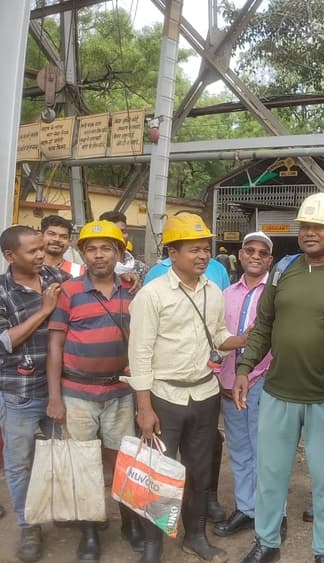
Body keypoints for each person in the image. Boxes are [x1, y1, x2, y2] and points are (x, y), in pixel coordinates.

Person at [234, 193, 324, 563]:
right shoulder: (283, 269)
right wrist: (245, 367)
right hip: (278, 392)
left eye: (319, 227)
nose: (309, 233)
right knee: (271, 474)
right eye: (305, 226)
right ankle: (267, 542)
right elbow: (264, 325)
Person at [127, 213, 249, 563]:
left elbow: (219, 336)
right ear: (173, 253)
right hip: (164, 398)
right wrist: (144, 409)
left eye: (205, 249)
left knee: (200, 472)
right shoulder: (151, 295)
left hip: (205, 395)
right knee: (157, 474)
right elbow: (140, 355)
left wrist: (245, 338)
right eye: (194, 249)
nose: (203, 255)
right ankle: (153, 545)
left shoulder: (213, 291)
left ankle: (195, 536)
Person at [45, 220, 142, 562]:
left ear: (119, 253)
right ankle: (89, 532)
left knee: (123, 461)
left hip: (120, 393)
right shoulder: (68, 291)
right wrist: (54, 398)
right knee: (82, 465)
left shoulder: (132, 291)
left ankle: (130, 523)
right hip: (76, 394)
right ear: (83, 254)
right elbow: (55, 345)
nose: (99, 255)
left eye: (106, 249)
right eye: (92, 249)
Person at [0, 225, 65, 562]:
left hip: (61, 388)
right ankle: (29, 525)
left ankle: (69, 510)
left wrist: (127, 281)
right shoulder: (2, 291)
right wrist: (44, 310)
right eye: (33, 251)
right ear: (10, 256)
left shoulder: (56, 276)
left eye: (42, 248)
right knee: (20, 464)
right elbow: (6, 341)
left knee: (64, 455)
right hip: (19, 393)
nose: (41, 255)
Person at [213, 232, 275, 538]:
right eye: (250, 250)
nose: (255, 256)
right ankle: (246, 508)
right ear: (240, 255)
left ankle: (273, 512)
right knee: (239, 449)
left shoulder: (275, 294)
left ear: (270, 260)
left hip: (262, 380)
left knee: (267, 451)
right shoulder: (225, 294)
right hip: (228, 382)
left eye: (262, 253)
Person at [98, 211, 148, 282]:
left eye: (123, 231)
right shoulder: (94, 266)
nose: (120, 236)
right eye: (114, 232)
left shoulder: (141, 268)